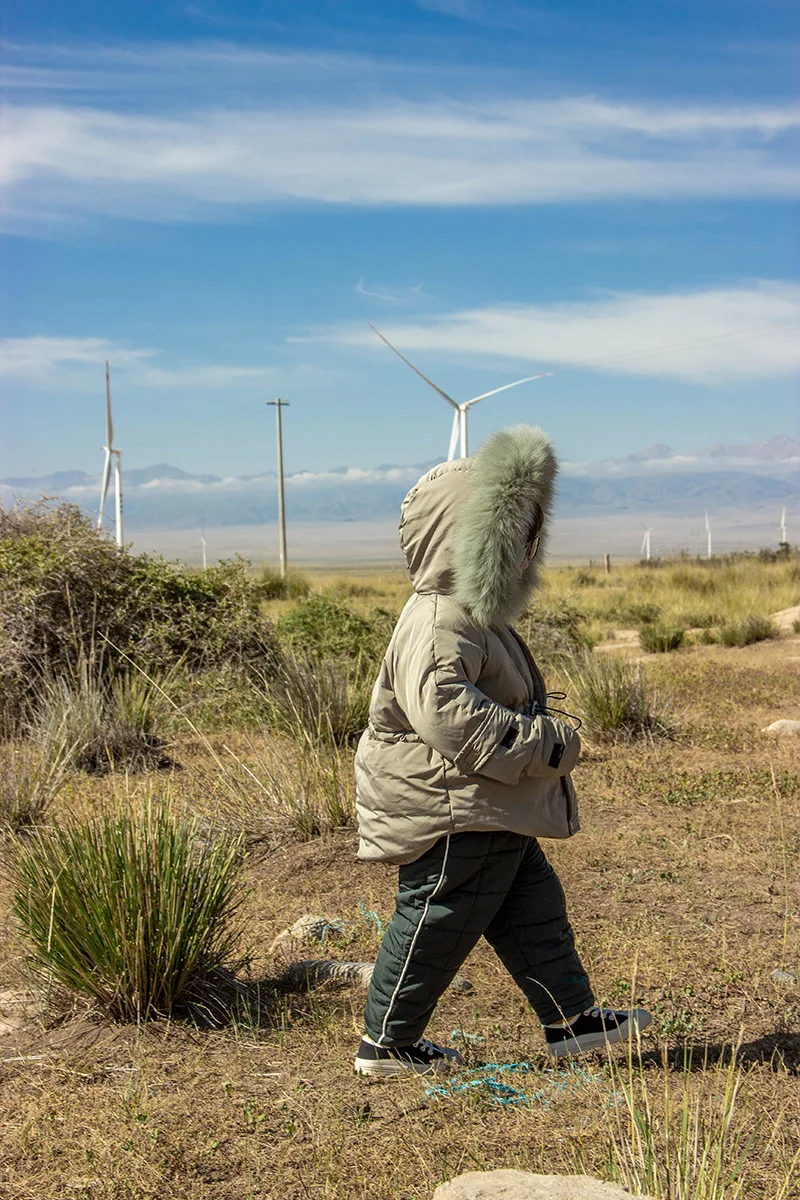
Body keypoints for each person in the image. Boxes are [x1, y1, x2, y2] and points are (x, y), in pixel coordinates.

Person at [352, 425, 651, 1076]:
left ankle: (571, 1021)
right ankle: (386, 1043)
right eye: (512, 533)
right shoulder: (440, 617)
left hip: (487, 800)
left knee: (532, 908)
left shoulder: (471, 613)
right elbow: (447, 713)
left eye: (529, 535)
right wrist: (543, 745)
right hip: (454, 803)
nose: (525, 549)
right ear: (468, 538)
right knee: (439, 913)